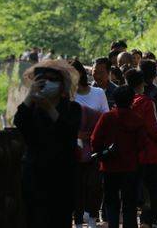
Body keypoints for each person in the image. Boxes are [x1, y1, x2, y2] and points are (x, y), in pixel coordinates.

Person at [14, 59, 81, 228]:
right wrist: (31, 96)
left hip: (62, 177)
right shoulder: (31, 110)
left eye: (53, 79)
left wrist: (50, 109)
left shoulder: (72, 108)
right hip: (35, 176)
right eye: (42, 80)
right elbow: (19, 121)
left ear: (62, 85)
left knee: (60, 219)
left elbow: (68, 132)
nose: (48, 83)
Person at [91, 86, 144, 228]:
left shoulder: (107, 117)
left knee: (111, 202)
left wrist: (102, 152)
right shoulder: (137, 119)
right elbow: (142, 144)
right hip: (131, 167)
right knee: (129, 204)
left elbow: (95, 140)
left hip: (109, 166)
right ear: (132, 100)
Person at [126, 69, 157, 228]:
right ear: (142, 83)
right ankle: (149, 221)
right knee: (153, 189)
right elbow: (153, 128)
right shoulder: (146, 102)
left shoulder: (124, 101)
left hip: (130, 154)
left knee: (134, 190)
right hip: (149, 152)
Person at [69, 59, 109, 228]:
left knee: (94, 185)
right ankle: (78, 221)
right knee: (76, 185)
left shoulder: (98, 93)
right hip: (74, 147)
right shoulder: (68, 95)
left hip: (95, 145)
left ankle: (92, 218)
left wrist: (93, 133)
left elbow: (106, 117)